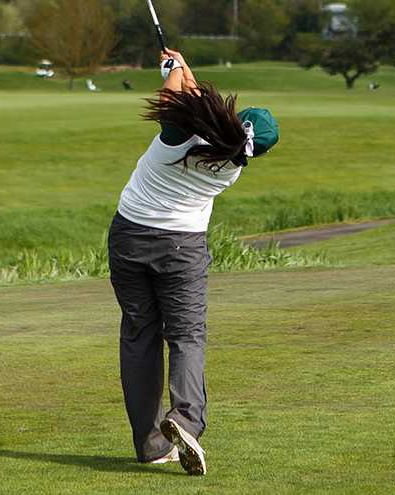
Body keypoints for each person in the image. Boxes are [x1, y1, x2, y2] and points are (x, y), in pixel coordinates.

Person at [107, 48, 278, 475]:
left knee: (139, 337)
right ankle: (184, 420)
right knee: (186, 336)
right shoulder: (233, 164)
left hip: (129, 238)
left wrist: (169, 74)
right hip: (181, 248)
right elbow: (199, 103)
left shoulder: (179, 137)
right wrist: (183, 67)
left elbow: (172, 103)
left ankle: (149, 446)